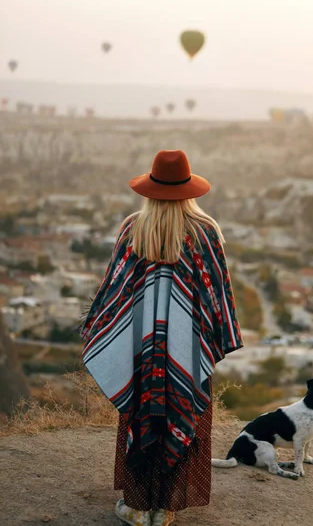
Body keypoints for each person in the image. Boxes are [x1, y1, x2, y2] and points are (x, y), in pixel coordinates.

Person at [80, 150, 243, 526]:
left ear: (150, 188)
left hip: (141, 352)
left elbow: (114, 293)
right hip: (187, 353)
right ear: (189, 190)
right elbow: (218, 295)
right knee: (180, 412)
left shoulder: (132, 228)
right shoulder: (207, 232)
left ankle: (137, 508)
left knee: (142, 415)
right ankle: (165, 509)